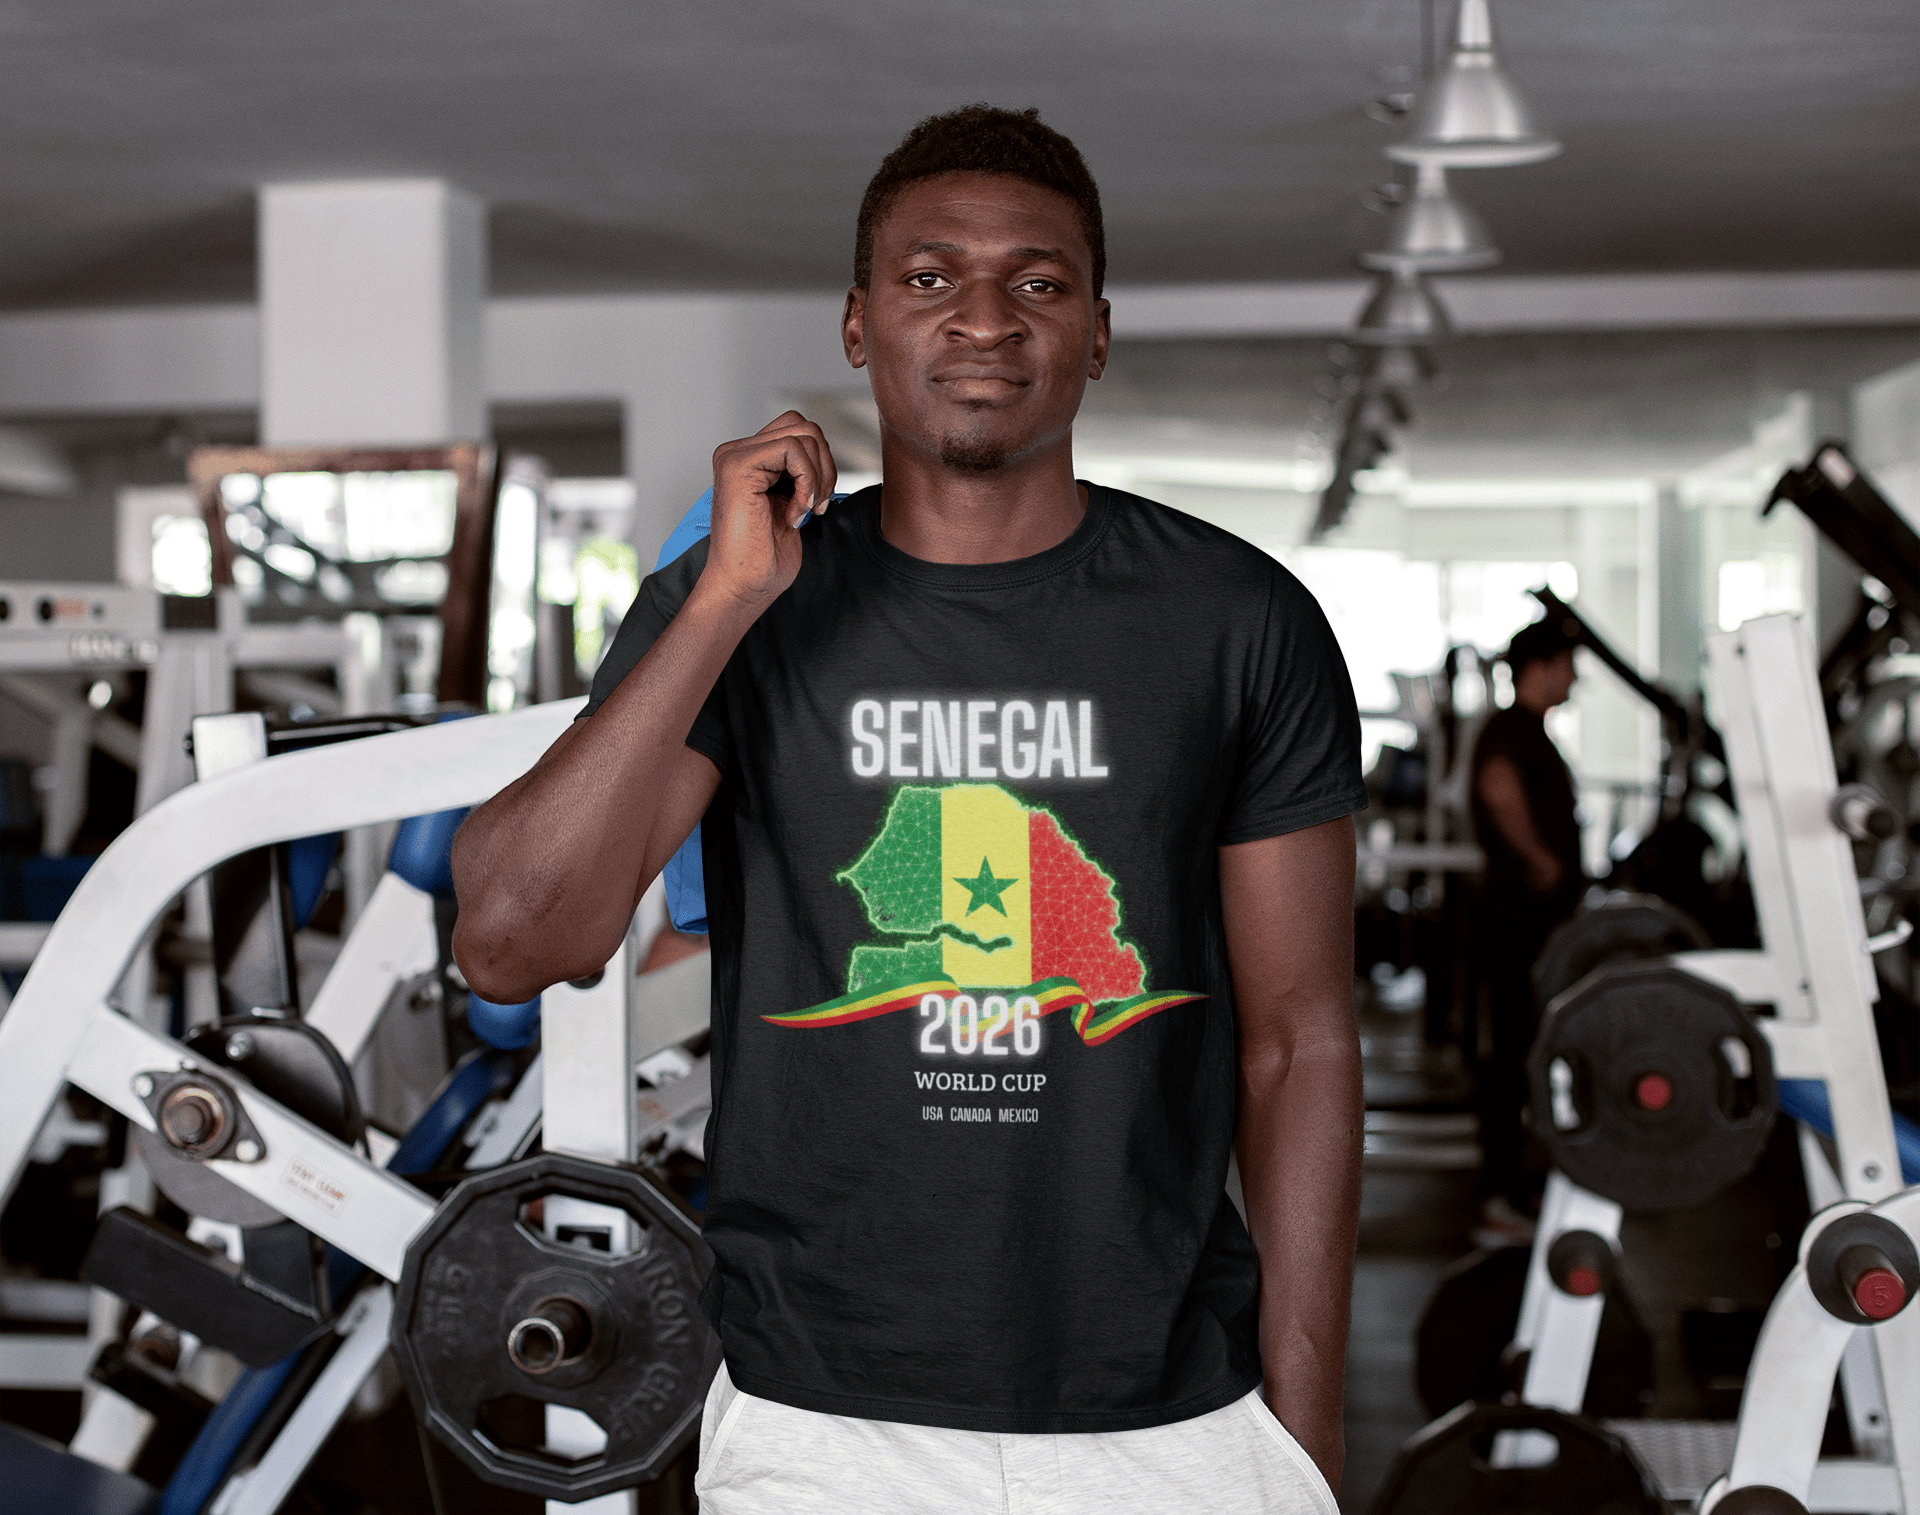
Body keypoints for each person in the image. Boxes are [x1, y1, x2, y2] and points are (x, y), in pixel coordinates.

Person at [452, 105, 1368, 1515]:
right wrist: (727, 600)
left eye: (1038, 281)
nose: (984, 318)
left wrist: (1304, 1428)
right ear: (858, 324)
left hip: (1173, 1424)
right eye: (930, 276)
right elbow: (513, 940)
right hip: (819, 1426)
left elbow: (1299, 1040)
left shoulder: (1239, 619)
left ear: (1097, 332)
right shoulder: (743, 605)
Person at [1469, 616, 1584, 1240]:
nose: (1574, 679)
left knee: (1524, 1056)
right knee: (1509, 1059)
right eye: (1567, 666)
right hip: (1516, 925)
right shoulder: (1511, 728)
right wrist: (1541, 859)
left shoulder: (1527, 730)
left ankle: (1514, 1188)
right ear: (1539, 668)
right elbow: (1497, 789)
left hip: (1534, 926)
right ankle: (1497, 1199)